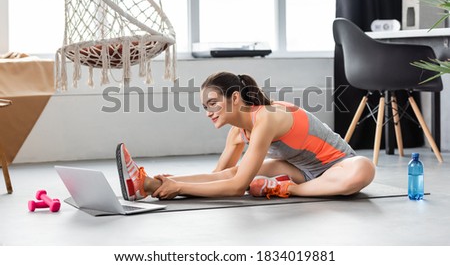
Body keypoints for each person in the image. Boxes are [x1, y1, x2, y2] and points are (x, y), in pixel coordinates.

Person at [116, 71, 375, 201]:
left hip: (338, 167)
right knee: (236, 171)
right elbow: (222, 176)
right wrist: (167, 183)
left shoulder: (267, 117)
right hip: (302, 170)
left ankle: (287, 189)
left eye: (214, 103)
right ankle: (145, 184)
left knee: (364, 168)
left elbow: (238, 187)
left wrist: (181, 186)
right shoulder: (238, 133)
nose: (209, 112)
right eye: (205, 107)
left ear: (236, 98)